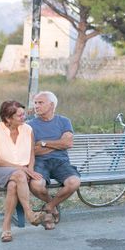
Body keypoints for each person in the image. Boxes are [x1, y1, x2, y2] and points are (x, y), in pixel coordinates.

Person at [0, 101, 45, 242]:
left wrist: (29, 170)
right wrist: (22, 169)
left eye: (23, 114)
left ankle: (6, 229)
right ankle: (29, 213)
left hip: (21, 173)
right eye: (19, 115)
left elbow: (31, 154)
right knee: (18, 175)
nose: (24, 117)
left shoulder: (28, 129)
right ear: (8, 118)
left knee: (13, 185)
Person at [27, 91, 81, 231]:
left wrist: (43, 143)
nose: (36, 106)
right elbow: (32, 151)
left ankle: (48, 207)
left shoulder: (64, 121)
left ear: (51, 105)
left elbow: (67, 144)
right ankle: (53, 207)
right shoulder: (29, 125)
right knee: (36, 185)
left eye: (40, 103)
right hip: (40, 162)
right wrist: (57, 144)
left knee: (74, 182)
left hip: (60, 162)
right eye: (35, 103)